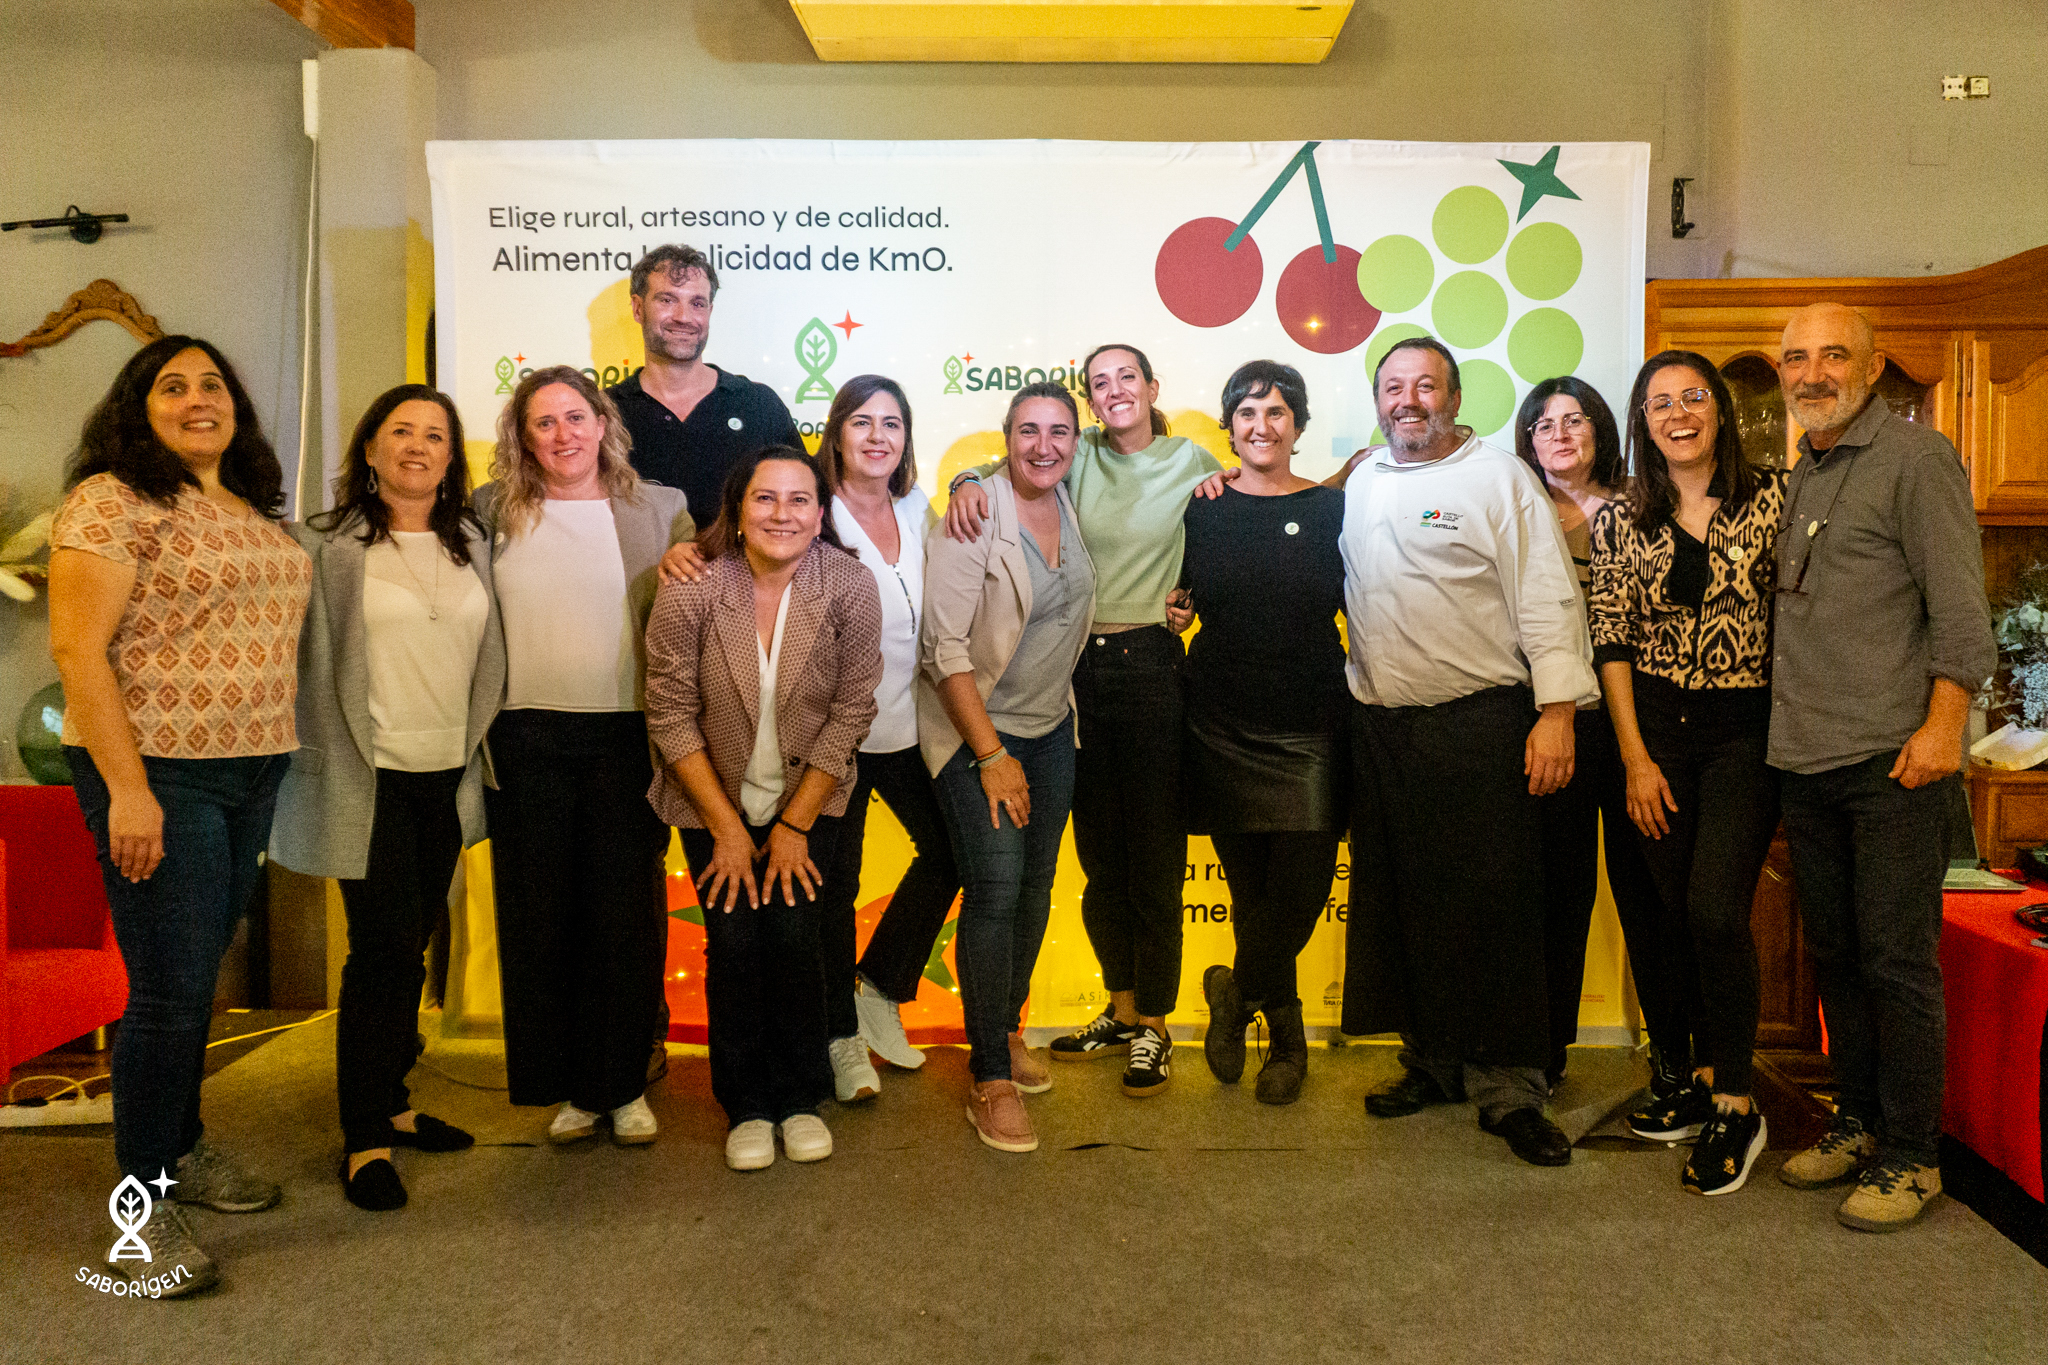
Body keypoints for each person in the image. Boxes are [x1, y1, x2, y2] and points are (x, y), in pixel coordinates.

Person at [48, 335, 312, 1294]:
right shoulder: (111, 500)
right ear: (139, 405)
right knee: (168, 988)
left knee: (198, 973)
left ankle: (181, 1148)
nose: (198, 399)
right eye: (173, 386)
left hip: (252, 768)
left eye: (213, 384)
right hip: (158, 772)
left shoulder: (247, 506)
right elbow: (77, 652)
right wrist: (128, 790)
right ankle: (139, 1211)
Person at [1339, 336, 1596, 1168]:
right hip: (1386, 731)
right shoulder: (1364, 479)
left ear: (1453, 397)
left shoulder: (1500, 478)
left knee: (1497, 911)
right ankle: (1433, 1060)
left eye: (1425, 385)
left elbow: (1548, 595)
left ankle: (1511, 1087)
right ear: (1377, 401)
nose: (1408, 400)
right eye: (1393, 387)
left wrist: (1557, 712)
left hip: (1482, 723)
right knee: (1410, 906)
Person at [1767, 303, 1994, 1231]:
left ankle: (1913, 1154)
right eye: (1796, 358)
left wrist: (1944, 728)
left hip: (1894, 761)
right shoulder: (1808, 468)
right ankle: (1857, 1120)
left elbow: (1962, 611)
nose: (1812, 372)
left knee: (1897, 963)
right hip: (1807, 758)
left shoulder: (1916, 458)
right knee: (1838, 955)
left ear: (1870, 367)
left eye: (1833, 355)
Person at [946, 344, 1222, 1097]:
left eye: (1127, 377)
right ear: (1090, 402)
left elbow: (1234, 528)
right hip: (1076, 678)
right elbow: (1010, 474)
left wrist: (1191, 596)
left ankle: (1156, 1023)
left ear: (1152, 386)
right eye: (1100, 383)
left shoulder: (1194, 462)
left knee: (1154, 856)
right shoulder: (1077, 455)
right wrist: (965, 480)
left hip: (1153, 668)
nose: (1114, 391)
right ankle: (1122, 1009)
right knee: (1099, 857)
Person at [269, 383, 504, 1211]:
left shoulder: (474, 541)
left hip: (448, 774)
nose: (417, 446)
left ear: (452, 456)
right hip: (368, 776)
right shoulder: (323, 543)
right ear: (370, 448)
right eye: (400, 431)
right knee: (382, 949)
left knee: (415, 939)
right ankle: (365, 1135)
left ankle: (396, 1101)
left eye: (435, 435)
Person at [644, 446, 882, 1171]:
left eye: (799, 499)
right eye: (765, 498)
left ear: (820, 513)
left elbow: (853, 710)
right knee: (735, 944)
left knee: (795, 938)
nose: (783, 513)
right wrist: (726, 829)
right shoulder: (693, 587)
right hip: (709, 799)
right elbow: (669, 711)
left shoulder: (848, 584)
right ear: (738, 509)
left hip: (810, 801)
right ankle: (747, 1103)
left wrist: (793, 826)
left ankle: (801, 1097)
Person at [477, 366, 693, 1148]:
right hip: (524, 739)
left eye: (576, 416)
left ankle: (622, 1082)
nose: (563, 433)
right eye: (544, 422)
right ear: (523, 436)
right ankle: (569, 1084)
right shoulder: (488, 511)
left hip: (625, 739)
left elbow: (704, 590)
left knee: (624, 919)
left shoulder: (661, 508)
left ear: (603, 423)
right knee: (541, 919)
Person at [1588, 355, 1787, 1195]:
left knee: (1713, 908)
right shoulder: (1621, 515)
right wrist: (1634, 759)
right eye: (1659, 402)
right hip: (1654, 739)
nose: (1678, 413)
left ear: (1722, 410)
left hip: (1746, 733)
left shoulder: (1777, 498)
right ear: (1643, 419)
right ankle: (1702, 1079)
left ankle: (1738, 1102)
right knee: (1674, 915)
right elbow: (1611, 639)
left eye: (1693, 397)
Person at [921, 384, 1096, 1151]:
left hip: (1053, 729)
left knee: (1035, 886)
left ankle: (1007, 1024)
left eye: (1059, 431)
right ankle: (989, 1073)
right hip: (977, 733)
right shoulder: (975, 514)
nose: (1044, 445)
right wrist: (991, 755)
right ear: (1007, 436)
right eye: (1029, 430)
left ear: (1076, 443)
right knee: (995, 887)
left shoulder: (1073, 500)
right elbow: (944, 650)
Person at [1173, 361, 1346, 1106]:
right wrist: (1174, 609)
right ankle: (1287, 1041)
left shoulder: (1337, 508)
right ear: (1230, 427)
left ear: (1298, 425)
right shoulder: (1202, 506)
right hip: (1220, 719)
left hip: (1312, 723)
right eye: (1246, 412)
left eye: (1276, 412)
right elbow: (1176, 590)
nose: (1261, 425)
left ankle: (1234, 990)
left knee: (1299, 893)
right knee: (1252, 896)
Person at [1510, 378, 1672, 1096]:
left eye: (1575, 420)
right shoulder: (1516, 510)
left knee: (1652, 895)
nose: (1561, 434)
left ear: (1601, 429)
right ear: (1528, 441)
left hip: (1639, 726)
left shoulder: (1646, 505)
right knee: (1556, 897)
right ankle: (1546, 1054)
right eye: (1544, 425)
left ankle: (1676, 1054)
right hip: (1555, 724)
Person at [815, 376, 962, 1099]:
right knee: (833, 888)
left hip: (908, 726)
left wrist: (968, 479)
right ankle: (838, 1036)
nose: (878, 436)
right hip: (832, 737)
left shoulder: (915, 506)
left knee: (955, 849)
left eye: (892, 424)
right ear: (837, 433)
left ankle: (879, 986)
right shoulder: (813, 511)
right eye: (863, 422)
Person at [607, 244, 802, 524]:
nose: (684, 317)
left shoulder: (758, 404)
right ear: (638, 308)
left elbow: (802, 501)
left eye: (697, 304)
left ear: (709, 311)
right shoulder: (605, 413)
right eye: (667, 300)